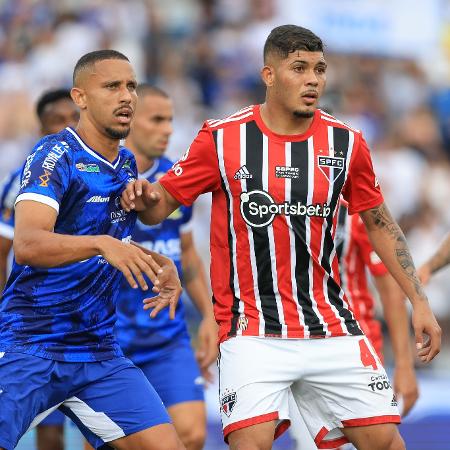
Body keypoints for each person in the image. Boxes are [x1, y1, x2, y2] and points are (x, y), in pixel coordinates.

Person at [121, 25, 442, 450]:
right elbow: (161, 205)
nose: (313, 80)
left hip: (330, 325)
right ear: (269, 74)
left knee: (386, 441)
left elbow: (380, 224)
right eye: (299, 68)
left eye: (319, 69)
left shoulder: (346, 143)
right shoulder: (222, 138)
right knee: (250, 443)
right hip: (251, 329)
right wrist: (143, 194)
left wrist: (419, 300)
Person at [0, 50, 185, 450]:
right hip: (30, 346)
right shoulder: (53, 156)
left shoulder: (127, 165)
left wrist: (159, 263)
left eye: (131, 86)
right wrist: (102, 244)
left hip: (98, 353)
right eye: (112, 86)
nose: (127, 97)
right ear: (80, 98)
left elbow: (110, 241)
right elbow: (28, 244)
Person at [289, 199, 419, 450]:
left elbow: (390, 290)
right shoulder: (283, 202)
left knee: (386, 444)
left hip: (358, 347)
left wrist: (404, 365)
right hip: (302, 344)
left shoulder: (354, 211)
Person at [0, 89, 80, 450]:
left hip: (89, 318)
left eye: (72, 119)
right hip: (38, 318)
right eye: (56, 122)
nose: (66, 128)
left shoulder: (107, 169)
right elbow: (3, 249)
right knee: (46, 427)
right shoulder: (24, 180)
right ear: (41, 129)